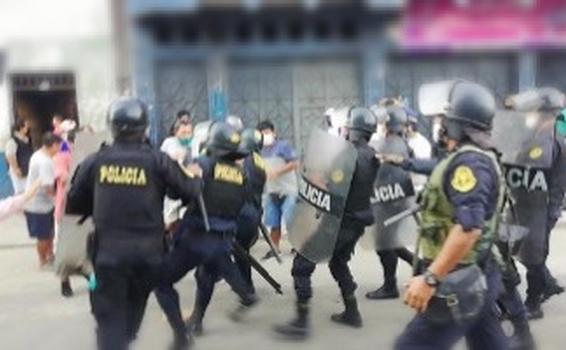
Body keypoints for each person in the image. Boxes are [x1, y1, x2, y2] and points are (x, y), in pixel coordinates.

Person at [66, 97, 202, 350]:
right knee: (130, 318)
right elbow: (188, 191)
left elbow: (73, 206)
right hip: (149, 259)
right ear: (144, 128)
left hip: (108, 258)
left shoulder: (94, 162)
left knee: (110, 322)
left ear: (112, 127)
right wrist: (195, 176)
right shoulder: (158, 160)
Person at [395, 80, 507, 350]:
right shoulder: (466, 157)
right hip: (477, 272)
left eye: (443, 119)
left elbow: (468, 229)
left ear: (459, 122)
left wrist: (431, 278)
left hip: (460, 279)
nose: (440, 125)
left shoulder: (469, 163)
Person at [274, 107, 380, 338]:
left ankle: (301, 324)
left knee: (301, 267)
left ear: (351, 129)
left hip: (338, 223)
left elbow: (331, 187)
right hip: (357, 223)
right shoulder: (372, 156)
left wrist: (313, 182)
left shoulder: (347, 155)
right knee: (338, 263)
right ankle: (352, 313)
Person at [158, 122, 259, 340]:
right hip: (222, 239)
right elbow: (242, 202)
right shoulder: (242, 174)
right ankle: (200, 317)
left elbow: (180, 192)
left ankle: (181, 330)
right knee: (206, 275)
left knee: (162, 279)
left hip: (195, 235)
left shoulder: (203, 163)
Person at [185, 128, 267, 335]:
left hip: (210, 225)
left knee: (207, 271)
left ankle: (243, 292)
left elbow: (185, 181)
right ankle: (242, 291)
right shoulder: (245, 170)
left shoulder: (206, 163)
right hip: (234, 222)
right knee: (218, 264)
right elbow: (244, 197)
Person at [502, 88, 566, 321]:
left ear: (545, 115)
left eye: (530, 113)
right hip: (518, 204)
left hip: (541, 209)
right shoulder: (526, 139)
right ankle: (540, 287)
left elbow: (556, 183)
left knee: (534, 258)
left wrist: (552, 213)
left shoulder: (556, 143)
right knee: (503, 247)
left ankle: (533, 302)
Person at [366, 106, 418, 301]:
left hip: (389, 201)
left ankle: (390, 286)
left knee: (384, 243)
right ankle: (421, 266)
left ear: (386, 125)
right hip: (400, 199)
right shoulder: (404, 144)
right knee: (391, 242)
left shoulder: (385, 145)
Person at [257, 120, 299, 260]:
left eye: (267, 132)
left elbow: (295, 163)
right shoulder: (260, 151)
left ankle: (298, 248)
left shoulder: (283, 146)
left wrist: (278, 172)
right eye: (262, 133)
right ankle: (275, 249)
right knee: (273, 222)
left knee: (290, 220)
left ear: (274, 132)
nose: (265, 135)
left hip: (288, 190)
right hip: (272, 191)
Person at [24, 132, 62, 269]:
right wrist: (60, 196)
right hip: (38, 205)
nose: (59, 150)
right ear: (53, 145)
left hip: (42, 204)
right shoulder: (44, 162)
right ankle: (42, 260)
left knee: (49, 232)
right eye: (59, 146)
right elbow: (48, 188)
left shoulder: (39, 154)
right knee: (43, 236)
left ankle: (50, 255)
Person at [5, 119, 33, 194]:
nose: (28, 128)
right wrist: (16, 169)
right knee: (21, 192)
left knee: (28, 191)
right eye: (26, 126)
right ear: (21, 128)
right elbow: (10, 155)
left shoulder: (27, 139)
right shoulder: (12, 141)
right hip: (19, 170)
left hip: (26, 168)